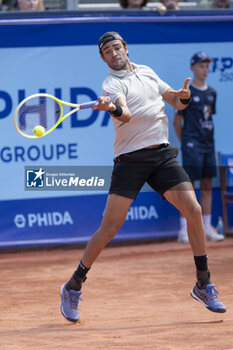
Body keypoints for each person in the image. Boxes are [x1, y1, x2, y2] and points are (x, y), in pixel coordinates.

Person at [60, 32, 226, 323]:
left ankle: (203, 284)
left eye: (116, 48)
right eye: (107, 52)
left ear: (125, 48)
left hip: (162, 155)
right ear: (103, 58)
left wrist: (183, 96)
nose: (114, 54)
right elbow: (123, 114)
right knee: (110, 227)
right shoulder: (111, 84)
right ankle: (74, 284)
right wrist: (111, 106)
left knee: (194, 210)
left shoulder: (147, 72)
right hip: (130, 160)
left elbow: (175, 101)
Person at [173, 51, 224, 244]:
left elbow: (208, 117)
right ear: (192, 68)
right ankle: (184, 229)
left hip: (208, 144)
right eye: (201, 66)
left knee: (207, 186)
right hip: (191, 145)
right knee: (188, 188)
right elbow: (177, 121)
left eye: (207, 66)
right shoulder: (187, 92)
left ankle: (207, 227)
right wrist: (186, 141)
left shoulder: (212, 93)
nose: (205, 70)